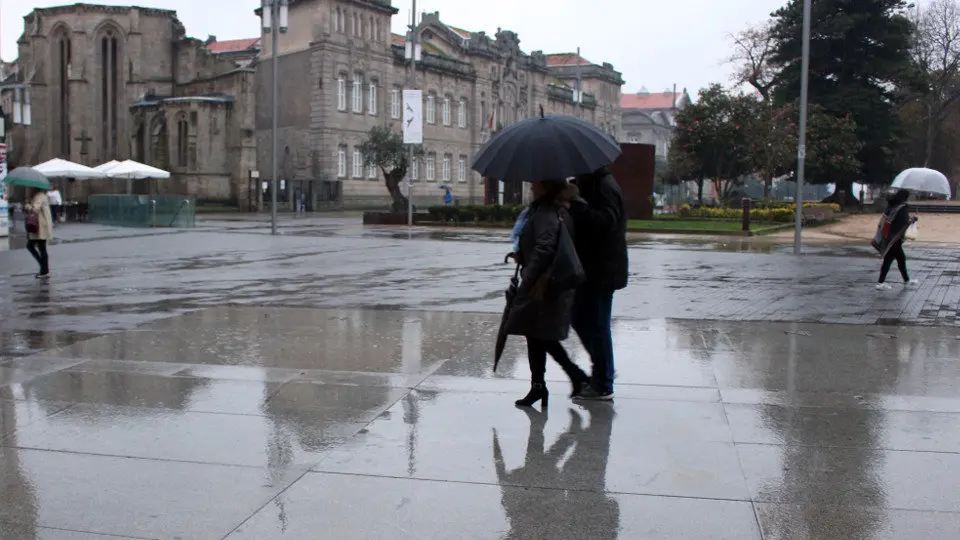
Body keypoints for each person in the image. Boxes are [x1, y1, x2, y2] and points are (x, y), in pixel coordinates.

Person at [505, 179, 589, 407]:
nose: (531, 187)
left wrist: (528, 277)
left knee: (539, 334)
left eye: (535, 184)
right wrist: (523, 253)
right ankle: (543, 384)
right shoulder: (553, 210)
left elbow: (545, 247)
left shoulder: (546, 212)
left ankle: (570, 376)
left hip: (544, 284)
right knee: (536, 334)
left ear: (545, 187)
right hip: (548, 282)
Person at [568, 166, 628, 400]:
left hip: (602, 268)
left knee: (597, 324)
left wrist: (577, 203)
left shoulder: (605, 186)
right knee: (580, 318)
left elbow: (607, 221)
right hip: (591, 267)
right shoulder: (591, 182)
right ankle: (603, 370)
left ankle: (603, 382)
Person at [874, 189, 917, 290]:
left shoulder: (892, 206)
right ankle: (880, 283)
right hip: (895, 239)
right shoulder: (902, 208)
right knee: (888, 260)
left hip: (888, 236)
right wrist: (913, 220)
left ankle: (906, 280)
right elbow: (904, 222)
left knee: (901, 258)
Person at [24, 188, 54, 279]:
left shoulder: (39, 196)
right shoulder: (38, 196)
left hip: (40, 226)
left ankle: (44, 269)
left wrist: (27, 205)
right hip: (39, 226)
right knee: (38, 247)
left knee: (34, 246)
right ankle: (44, 269)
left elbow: (35, 209)